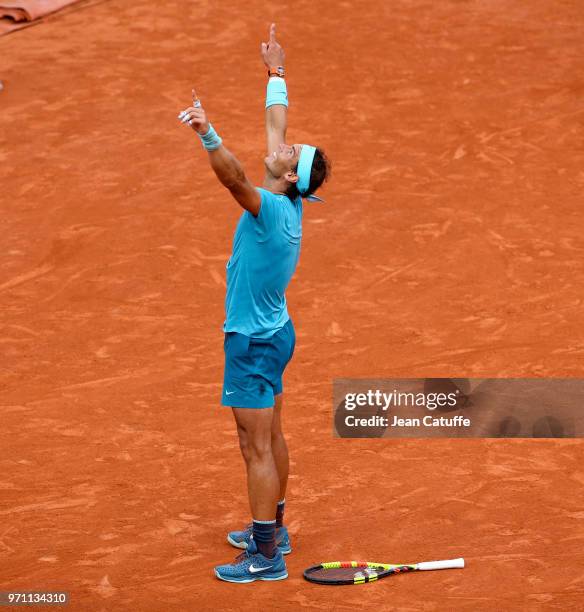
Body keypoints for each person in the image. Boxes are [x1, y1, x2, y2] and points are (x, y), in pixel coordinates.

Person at [178, 23, 331, 583]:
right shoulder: (290, 198)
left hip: (253, 343)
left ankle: (266, 555)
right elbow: (276, 124)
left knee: (255, 446)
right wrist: (276, 73)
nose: (283, 144)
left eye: (289, 152)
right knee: (272, 435)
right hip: (276, 333)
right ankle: (277, 528)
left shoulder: (266, 210)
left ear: (289, 175)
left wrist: (207, 133)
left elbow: (233, 177)